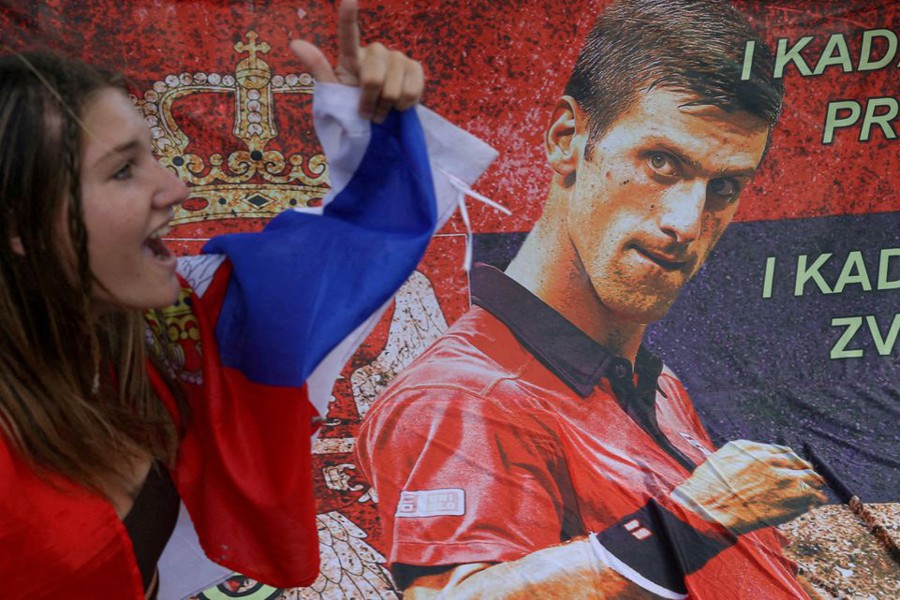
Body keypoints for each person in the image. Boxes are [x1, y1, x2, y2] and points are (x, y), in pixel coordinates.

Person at [356, 0, 830, 598]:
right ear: (566, 140)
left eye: (725, 186)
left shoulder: (652, 384)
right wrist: (690, 521)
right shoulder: (466, 395)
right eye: (662, 162)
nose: (687, 221)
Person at [0, 1, 473, 597]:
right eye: (122, 171)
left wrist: (368, 139)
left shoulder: (162, 331)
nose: (174, 187)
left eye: (152, 154)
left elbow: (330, 267)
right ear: (19, 223)